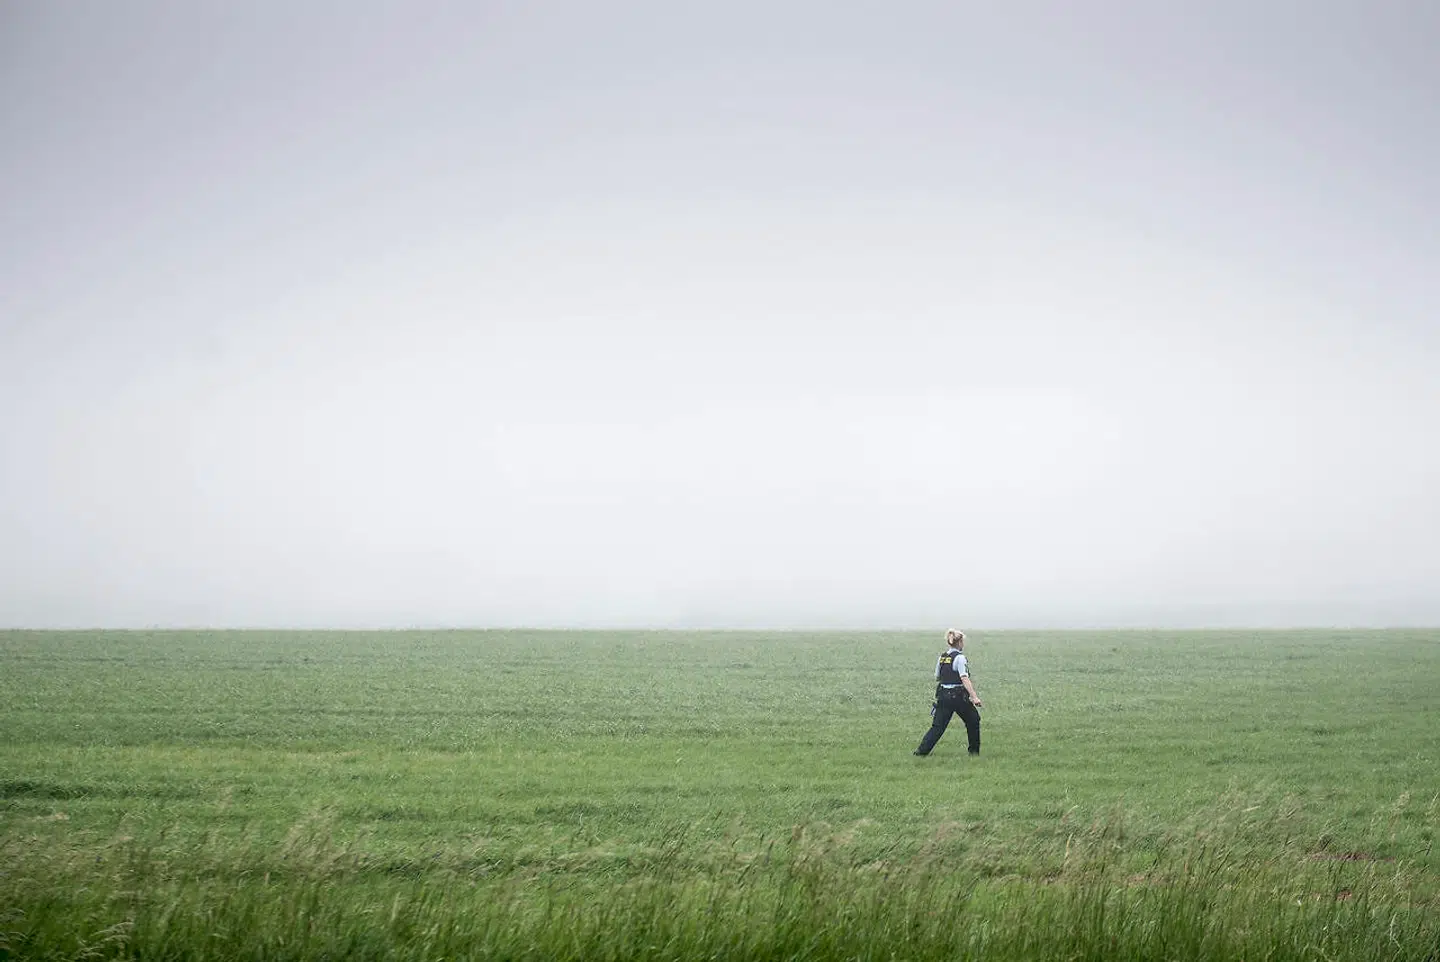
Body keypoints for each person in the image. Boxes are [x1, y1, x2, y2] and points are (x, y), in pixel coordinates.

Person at [913, 629, 982, 756]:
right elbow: (964, 678)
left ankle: (921, 752)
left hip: (943, 695)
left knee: (938, 726)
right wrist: (974, 697)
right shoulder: (960, 658)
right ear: (960, 642)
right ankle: (973, 752)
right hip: (958, 697)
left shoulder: (942, 657)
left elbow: (937, 677)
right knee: (973, 720)